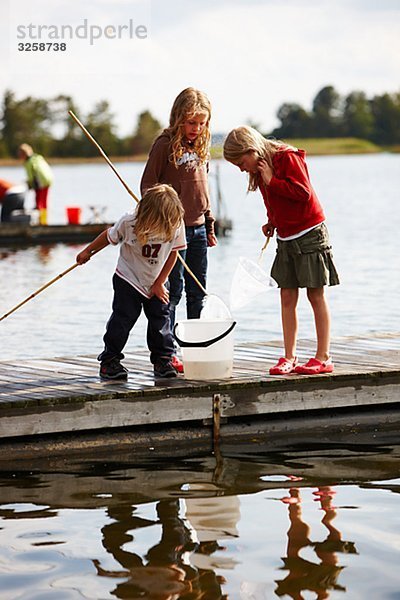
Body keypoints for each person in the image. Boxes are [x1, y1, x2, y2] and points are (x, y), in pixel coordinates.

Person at [223, 126, 339, 375]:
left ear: (252, 151)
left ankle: (324, 357)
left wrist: (271, 181)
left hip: (310, 233)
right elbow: (273, 200)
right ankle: (289, 357)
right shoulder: (260, 168)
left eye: (241, 163)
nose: (242, 169)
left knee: (315, 295)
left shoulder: (286, 158)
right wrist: (272, 221)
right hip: (286, 237)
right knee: (287, 296)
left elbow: (303, 193)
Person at [140, 88, 218, 373]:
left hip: (198, 230)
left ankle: (194, 349)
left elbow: (203, 189)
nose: (196, 128)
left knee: (198, 293)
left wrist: (209, 224)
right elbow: (147, 185)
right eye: (190, 122)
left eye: (201, 123)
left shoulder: (202, 145)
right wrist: (160, 217)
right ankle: (166, 352)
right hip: (173, 232)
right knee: (171, 292)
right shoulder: (163, 144)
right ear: (178, 118)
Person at [76, 184, 186, 380]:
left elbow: (174, 254)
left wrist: (160, 282)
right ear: (148, 213)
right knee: (122, 320)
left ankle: (163, 360)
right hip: (128, 278)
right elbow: (108, 237)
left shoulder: (175, 223)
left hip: (156, 280)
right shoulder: (129, 222)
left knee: (161, 321)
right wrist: (88, 252)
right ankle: (110, 361)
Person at [18, 143, 53, 225]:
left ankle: (41, 222)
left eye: (20, 154)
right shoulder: (37, 157)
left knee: (39, 202)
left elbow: (31, 177)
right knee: (44, 202)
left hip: (41, 182)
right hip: (48, 180)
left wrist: (28, 185)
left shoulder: (28, 162)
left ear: (23, 154)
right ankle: (44, 221)